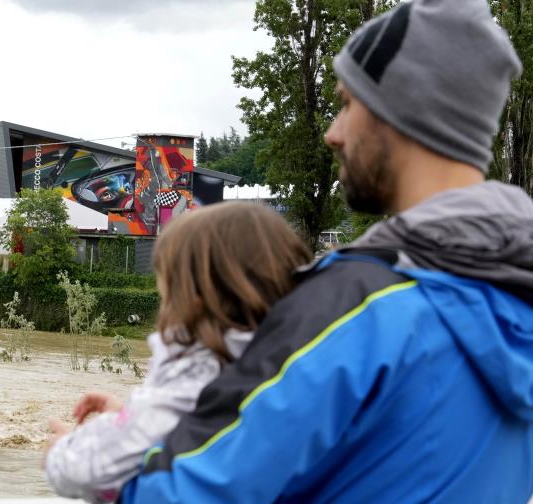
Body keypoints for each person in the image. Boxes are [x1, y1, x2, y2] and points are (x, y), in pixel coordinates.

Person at [122, 0, 533, 502]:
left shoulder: (353, 310)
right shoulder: (515, 296)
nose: (332, 133)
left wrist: (118, 448)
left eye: (347, 104)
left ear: (400, 113)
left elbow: (175, 493)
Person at [43, 202, 311, 503]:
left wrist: (64, 449)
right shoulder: (285, 362)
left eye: (166, 290)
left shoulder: (197, 369)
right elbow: (194, 430)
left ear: (194, 298)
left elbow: (85, 472)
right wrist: (126, 414)